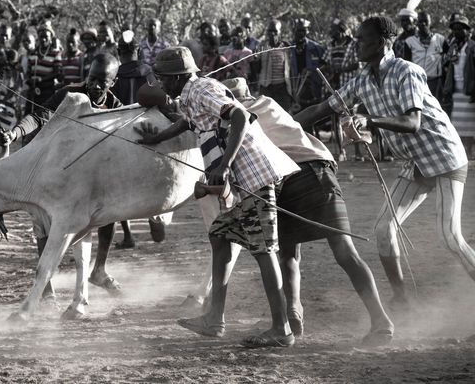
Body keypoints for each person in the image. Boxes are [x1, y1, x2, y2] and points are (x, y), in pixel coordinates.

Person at [183, 77, 394, 345]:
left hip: (292, 175)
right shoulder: (270, 105)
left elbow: (231, 165)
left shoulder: (230, 120)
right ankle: (375, 320)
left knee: (289, 253)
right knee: (340, 251)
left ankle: (291, 314)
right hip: (315, 170)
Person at [295, 16, 474, 309]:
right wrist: (279, 123)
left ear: (381, 43)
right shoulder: (362, 80)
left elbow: (413, 121)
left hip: (444, 155)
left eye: (363, 40)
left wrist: (369, 120)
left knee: (451, 238)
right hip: (416, 162)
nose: (358, 45)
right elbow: (321, 108)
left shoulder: (408, 71)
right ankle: (402, 299)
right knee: (383, 229)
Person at [138, 46, 299, 348]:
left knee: (264, 250)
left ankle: (282, 329)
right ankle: (214, 320)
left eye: (160, 78)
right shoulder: (190, 96)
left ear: (175, 78)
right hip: (242, 180)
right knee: (220, 234)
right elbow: (188, 122)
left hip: (253, 177)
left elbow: (239, 115)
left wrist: (224, 165)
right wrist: (156, 138)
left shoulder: (201, 89)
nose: (159, 84)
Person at [0, 53, 127, 296]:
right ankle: (45, 286)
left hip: (89, 176)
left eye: (102, 81)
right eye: (92, 78)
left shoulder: (116, 108)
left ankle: (99, 269)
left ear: (113, 82)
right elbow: (38, 116)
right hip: (55, 167)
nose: (95, 85)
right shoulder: (69, 95)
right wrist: (15, 133)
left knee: (109, 213)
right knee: (43, 222)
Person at [322, 19, 360, 160]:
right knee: (335, 118)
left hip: (349, 84)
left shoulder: (352, 44)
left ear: (342, 31)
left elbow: (357, 64)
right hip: (335, 86)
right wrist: (328, 70)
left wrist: (342, 69)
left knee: (351, 117)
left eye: (334, 30)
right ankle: (340, 152)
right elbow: (325, 62)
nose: (332, 33)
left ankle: (358, 152)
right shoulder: (331, 45)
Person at [442, 13, 475, 158]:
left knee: (471, 125)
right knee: (458, 126)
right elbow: (446, 66)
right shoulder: (453, 46)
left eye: (460, 29)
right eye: (454, 29)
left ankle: (470, 154)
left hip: (470, 90)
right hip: (456, 90)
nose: (457, 31)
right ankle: (464, 154)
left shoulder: (473, 46)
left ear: (468, 31)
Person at [22, 26, 62, 121]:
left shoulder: (55, 53)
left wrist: (41, 79)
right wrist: (29, 80)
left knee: (44, 117)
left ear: (51, 38)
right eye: (41, 37)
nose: (43, 39)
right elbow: (28, 71)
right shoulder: (33, 53)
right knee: (29, 117)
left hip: (47, 90)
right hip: (33, 90)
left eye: (46, 37)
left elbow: (57, 72)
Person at [406, 12, 446, 101]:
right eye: (420, 21)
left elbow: (449, 58)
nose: (423, 23)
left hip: (435, 82)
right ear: (416, 23)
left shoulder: (440, 39)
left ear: (430, 22)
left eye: (426, 21)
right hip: (416, 82)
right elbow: (406, 64)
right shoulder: (409, 41)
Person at [256, 19, 293, 111]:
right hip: (266, 88)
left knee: (284, 115)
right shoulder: (262, 47)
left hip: (282, 88)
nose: (272, 34)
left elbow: (292, 69)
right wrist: (256, 58)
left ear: (280, 32)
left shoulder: (286, 47)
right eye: (270, 31)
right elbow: (256, 69)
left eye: (275, 31)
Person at [290, 18, 325, 111]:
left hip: (313, 90)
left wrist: (312, 70)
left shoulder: (316, 48)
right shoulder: (288, 48)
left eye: (303, 30)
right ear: (294, 30)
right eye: (298, 30)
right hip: (294, 91)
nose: (301, 33)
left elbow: (325, 66)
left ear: (308, 31)